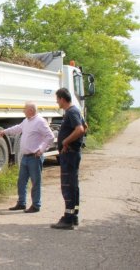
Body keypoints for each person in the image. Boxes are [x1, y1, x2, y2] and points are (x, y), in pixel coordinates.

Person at [0, 101, 54, 213]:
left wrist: (41, 149)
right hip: (25, 157)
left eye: (25, 109)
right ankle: (21, 203)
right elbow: (17, 128)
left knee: (35, 182)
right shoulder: (27, 121)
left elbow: (50, 136)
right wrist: (5, 131)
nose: (23, 111)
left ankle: (36, 205)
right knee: (21, 181)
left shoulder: (40, 122)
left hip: (34, 157)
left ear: (31, 110)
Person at [51, 88, 85, 230]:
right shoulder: (74, 111)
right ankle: (73, 216)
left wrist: (66, 142)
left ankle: (68, 219)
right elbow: (85, 126)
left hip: (69, 155)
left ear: (62, 99)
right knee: (73, 185)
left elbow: (80, 129)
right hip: (72, 153)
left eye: (57, 99)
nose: (57, 101)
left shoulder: (71, 111)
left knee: (68, 186)